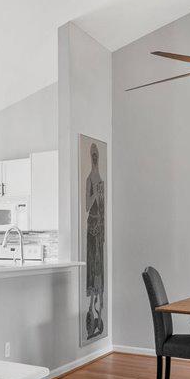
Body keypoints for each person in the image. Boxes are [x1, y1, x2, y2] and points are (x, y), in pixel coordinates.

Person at [85, 142, 105, 339]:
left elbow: (103, 207)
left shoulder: (101, 179)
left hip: (99, 230)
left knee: (99, 268)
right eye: (93, 155)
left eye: (96, 155)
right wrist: (95, 193)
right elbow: (86, 206)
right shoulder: (89, 179)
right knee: (93, 267)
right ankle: (91, 310)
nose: (95, 158)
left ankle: (99, 310)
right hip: (91, 228)